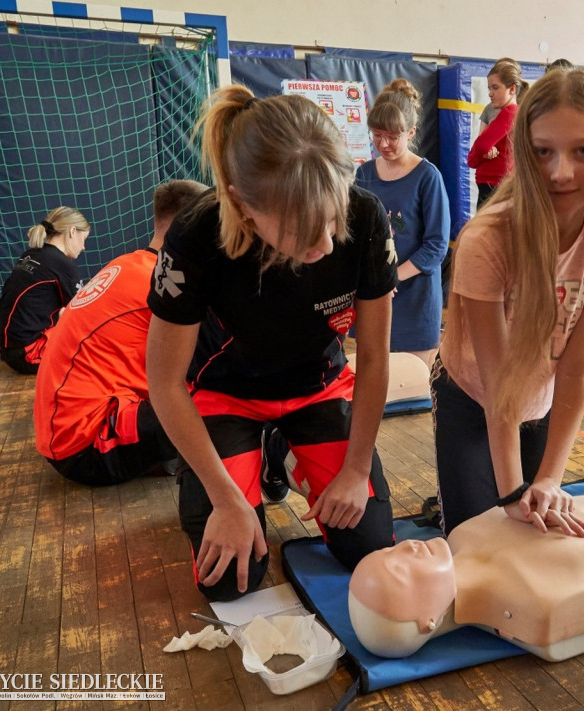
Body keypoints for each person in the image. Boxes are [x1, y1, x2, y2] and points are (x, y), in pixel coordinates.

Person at [146, 86, 397, 602]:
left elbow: (372, 360)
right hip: (225, 395)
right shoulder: (195, 236)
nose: (327, 243)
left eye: (333, 217)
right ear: (243, 205)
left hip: (318, 387)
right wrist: (225, 500)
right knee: (230, 582)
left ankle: (283, 453)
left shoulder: (368, 218)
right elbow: (164, 383)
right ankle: (249, 465)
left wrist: (355, 470)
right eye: (304, 229)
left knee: (370, 547)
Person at [433, 66, 584, 536]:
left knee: (537, 524)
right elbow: (500, 385)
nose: (560, 173)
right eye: (542, 153)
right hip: (473, 394)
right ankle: (455, 496)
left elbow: (576, 371)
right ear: (523, 151)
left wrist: (550, 478)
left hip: (542, 398)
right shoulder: (488, 240)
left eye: (583, 151)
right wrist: (513, 489)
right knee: (477, 535)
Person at [348, 493, 584, 660]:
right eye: (401, 573)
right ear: (427, 622)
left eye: (388, 552)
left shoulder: (463, 533)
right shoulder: (535, 610)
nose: (406, 549)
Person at [34, 181, 206, 486]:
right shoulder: (165, 285)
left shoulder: (129, 265)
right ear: (192, 228)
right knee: (222, 392)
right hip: (84, 447)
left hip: (64, 432)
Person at [356, 79, 450, 367]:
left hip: (415, 298)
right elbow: (357, 235)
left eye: (393, 136)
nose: (383, 144)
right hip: (375, 295)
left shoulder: (427, 176)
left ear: (410, 132)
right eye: (377, 135)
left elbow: (436, 246)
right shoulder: (364, 174)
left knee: (415, 385)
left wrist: (393, 277)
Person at [0, 207, 89, 374]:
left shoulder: (31, 255)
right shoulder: (62, 265)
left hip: (8, 349)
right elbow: (83, 315)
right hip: (28, 354)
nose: (84, 247)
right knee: (96, 347)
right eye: (84, 239)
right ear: (73, 231)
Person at [467, 61, 528, 208]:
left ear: (512, 89)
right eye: (489, 88)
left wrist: (474, 158)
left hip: (494, 184)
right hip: (495, 183)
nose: (490, 93)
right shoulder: (509, 113)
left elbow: (480, 146)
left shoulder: (510, 112)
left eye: (495, 88)